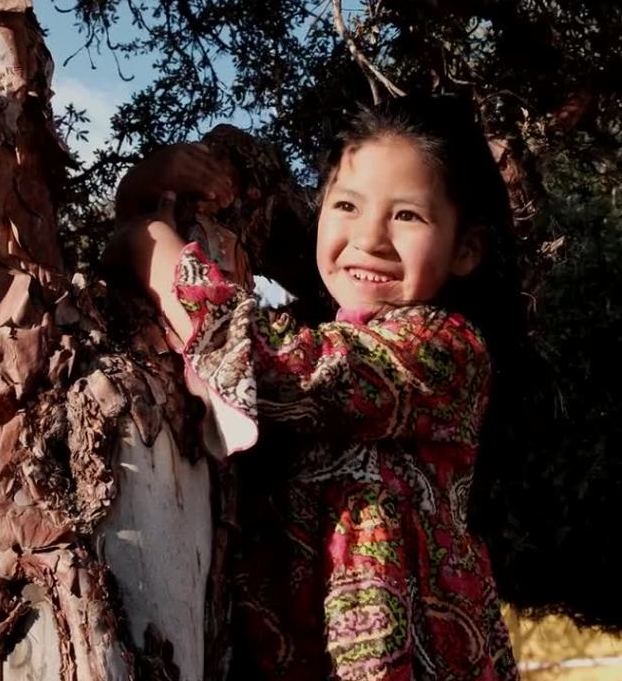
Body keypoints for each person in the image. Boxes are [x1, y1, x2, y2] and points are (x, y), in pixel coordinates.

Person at [113, 96, 523, 680]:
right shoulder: (332, 330)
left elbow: (274, 364)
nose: (371, 238)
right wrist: (140, 192)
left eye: (407, 215)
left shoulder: (443, 350)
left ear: (465, 249)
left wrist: (144, 239)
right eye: (347, 205)